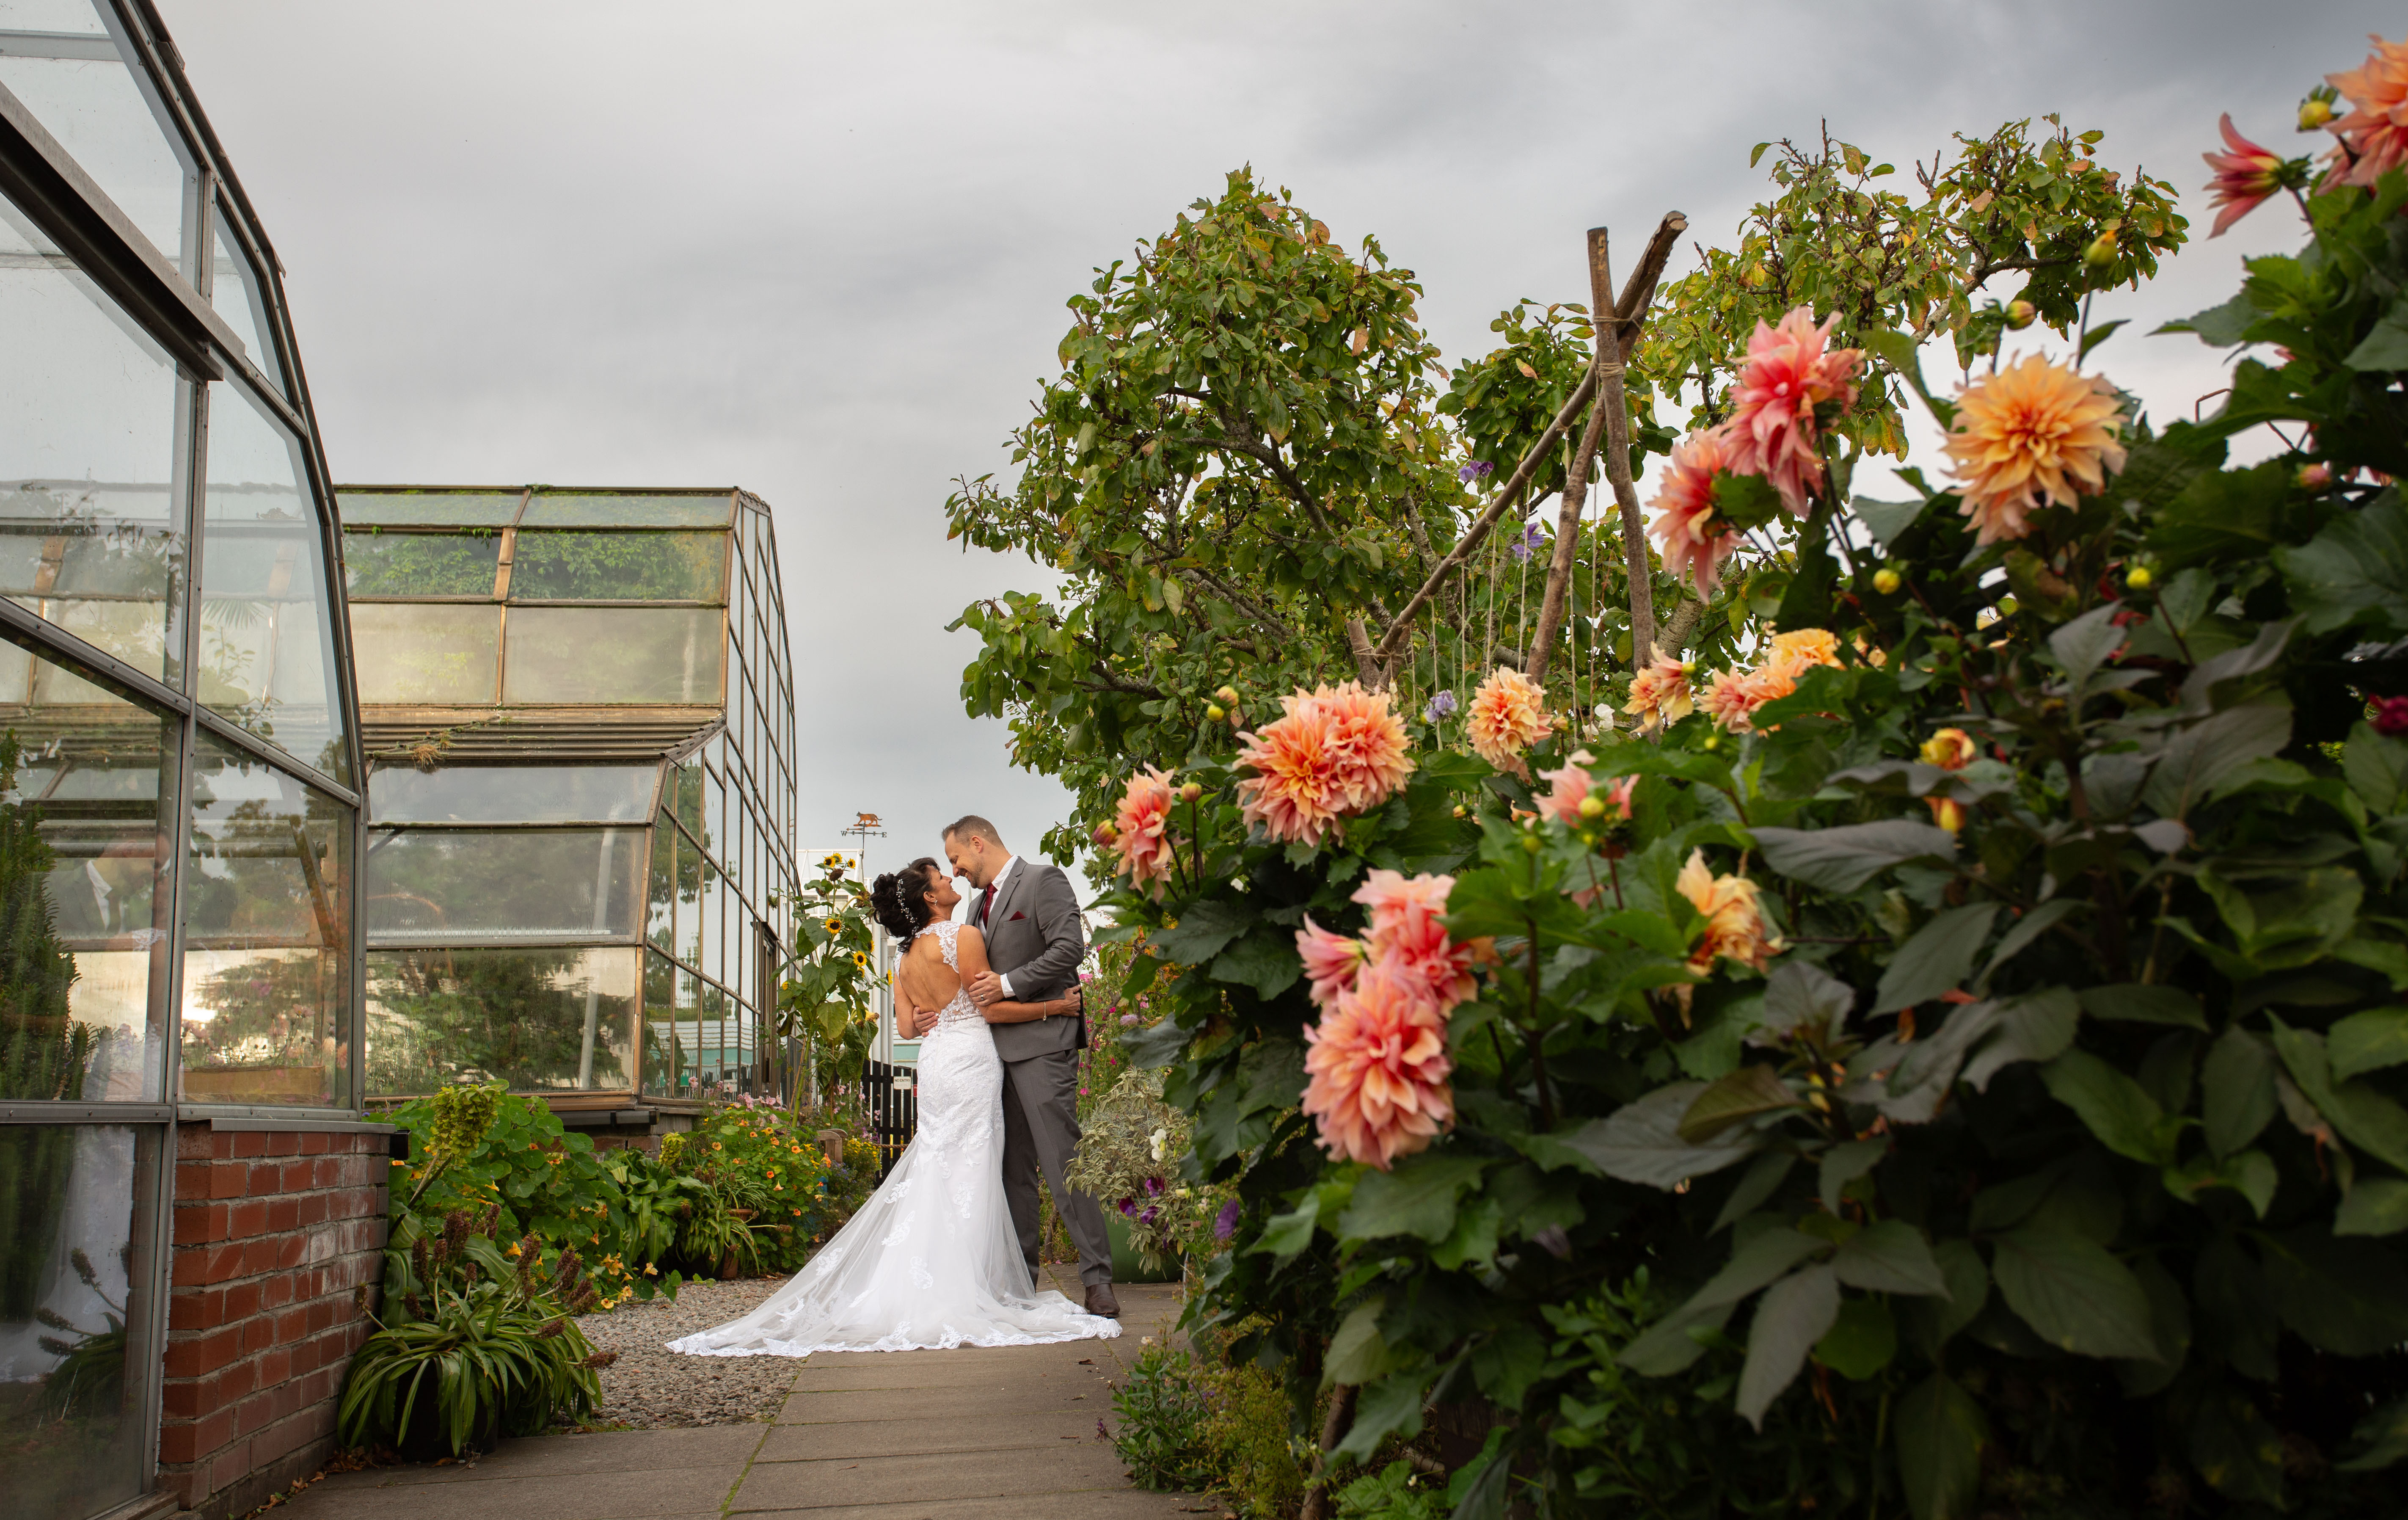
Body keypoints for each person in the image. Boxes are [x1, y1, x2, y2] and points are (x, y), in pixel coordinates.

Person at [665, 858, 1117, 1356]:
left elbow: (906, 1028)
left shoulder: (903, 962)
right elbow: (989, 1008)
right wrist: (1056, 1007)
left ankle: (942, 1281)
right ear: (928, 897)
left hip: (937, 1064)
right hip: (970, 1061)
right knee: (974, 1166)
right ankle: (975, 1286)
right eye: (940, 878)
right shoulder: (963, 937)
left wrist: (933, 1016)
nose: (950, 879)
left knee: (940, 1165)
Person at [940, 815, 1118, 1319]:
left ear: (978, 843)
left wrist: (1008, 984)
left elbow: (1069, 949)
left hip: (1042, 1045)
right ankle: (1020, 1283)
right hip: (991, 1057)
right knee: (1010, 1172)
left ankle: (1098, 1281)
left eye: (956, 859)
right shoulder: (976, 906)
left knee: (1064, 1164)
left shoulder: (1043, 880)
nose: (955, 872)